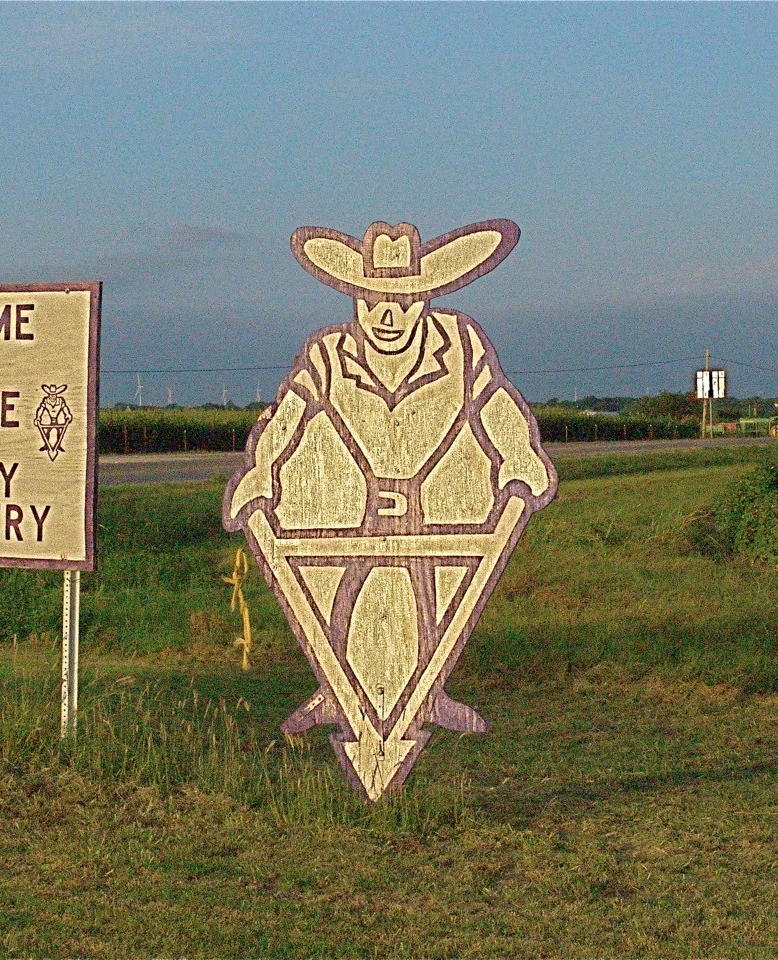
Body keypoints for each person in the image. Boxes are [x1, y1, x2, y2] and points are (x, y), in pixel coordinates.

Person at [223, 219, 558, 800]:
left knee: (437, 600)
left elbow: (495, 403)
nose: (387, 314)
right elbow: (289, 418)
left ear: (425, 298)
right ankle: (337, 692)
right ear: (356, 298)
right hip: (352, 496)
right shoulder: (329, 354)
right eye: (373, 300)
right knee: (336, 598)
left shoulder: (460, 345)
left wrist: (519, 455)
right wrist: (263, 470)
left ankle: (427, 695)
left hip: (439, 500)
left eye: (402, 301)